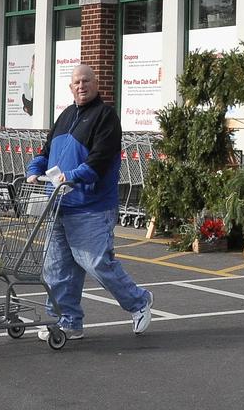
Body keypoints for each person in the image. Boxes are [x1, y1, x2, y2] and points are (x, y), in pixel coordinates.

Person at [26, 64, 153, 340]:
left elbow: (99, 163)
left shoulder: (105, 117)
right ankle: (68, 321)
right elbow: (45, 153)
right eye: (76, 83)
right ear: (70, 88)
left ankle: (139, 302)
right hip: (59, 205)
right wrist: (33, 169)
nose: (81, 86)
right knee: (57, 268)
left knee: (96, 263)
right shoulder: (65, 116)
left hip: (91, 206)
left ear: (96, 85)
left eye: (86, 81)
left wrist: (69, 177)